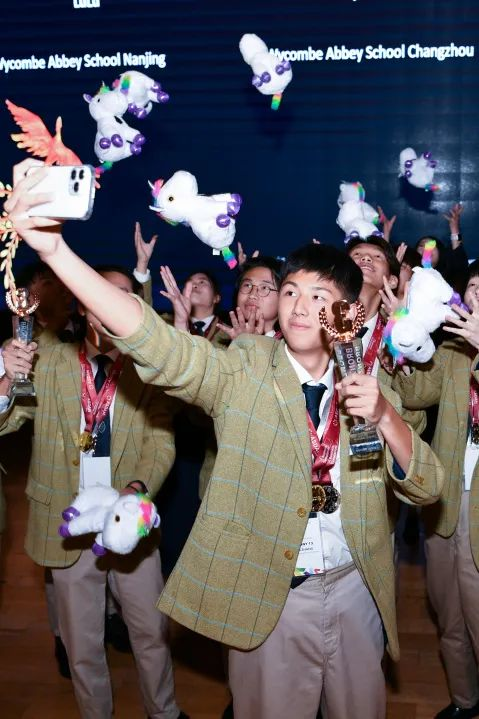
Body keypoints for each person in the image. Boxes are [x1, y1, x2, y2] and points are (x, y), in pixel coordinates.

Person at [5, 163, 444, 718]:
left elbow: (428, 486)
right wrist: (55, 253)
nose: (300, 305)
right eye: (291, 291)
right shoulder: (244, 369)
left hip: (356, 588)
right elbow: (159, 346)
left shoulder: (370, 384)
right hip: (270, 596)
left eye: (320, 296)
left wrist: (384, 417)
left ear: (348, 315)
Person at [0, 258, 186, 719]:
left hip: (129, 522)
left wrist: (137, 490)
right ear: (84, 304)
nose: (111, 304)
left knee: (150, 632)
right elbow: (9, 421)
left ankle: (163, 712)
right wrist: (5, 380)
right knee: (82, 644)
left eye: (124, 296)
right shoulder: (49, 363)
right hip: (68, 525)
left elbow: (161, 440)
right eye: (102, 293)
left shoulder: (147, 372)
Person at [392, 260, 479, 719]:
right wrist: (404, 338)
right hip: (447, 504)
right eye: (474, 289)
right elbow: (415, 395)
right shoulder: (453, 350)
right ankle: (465, 700)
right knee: (450, 616)